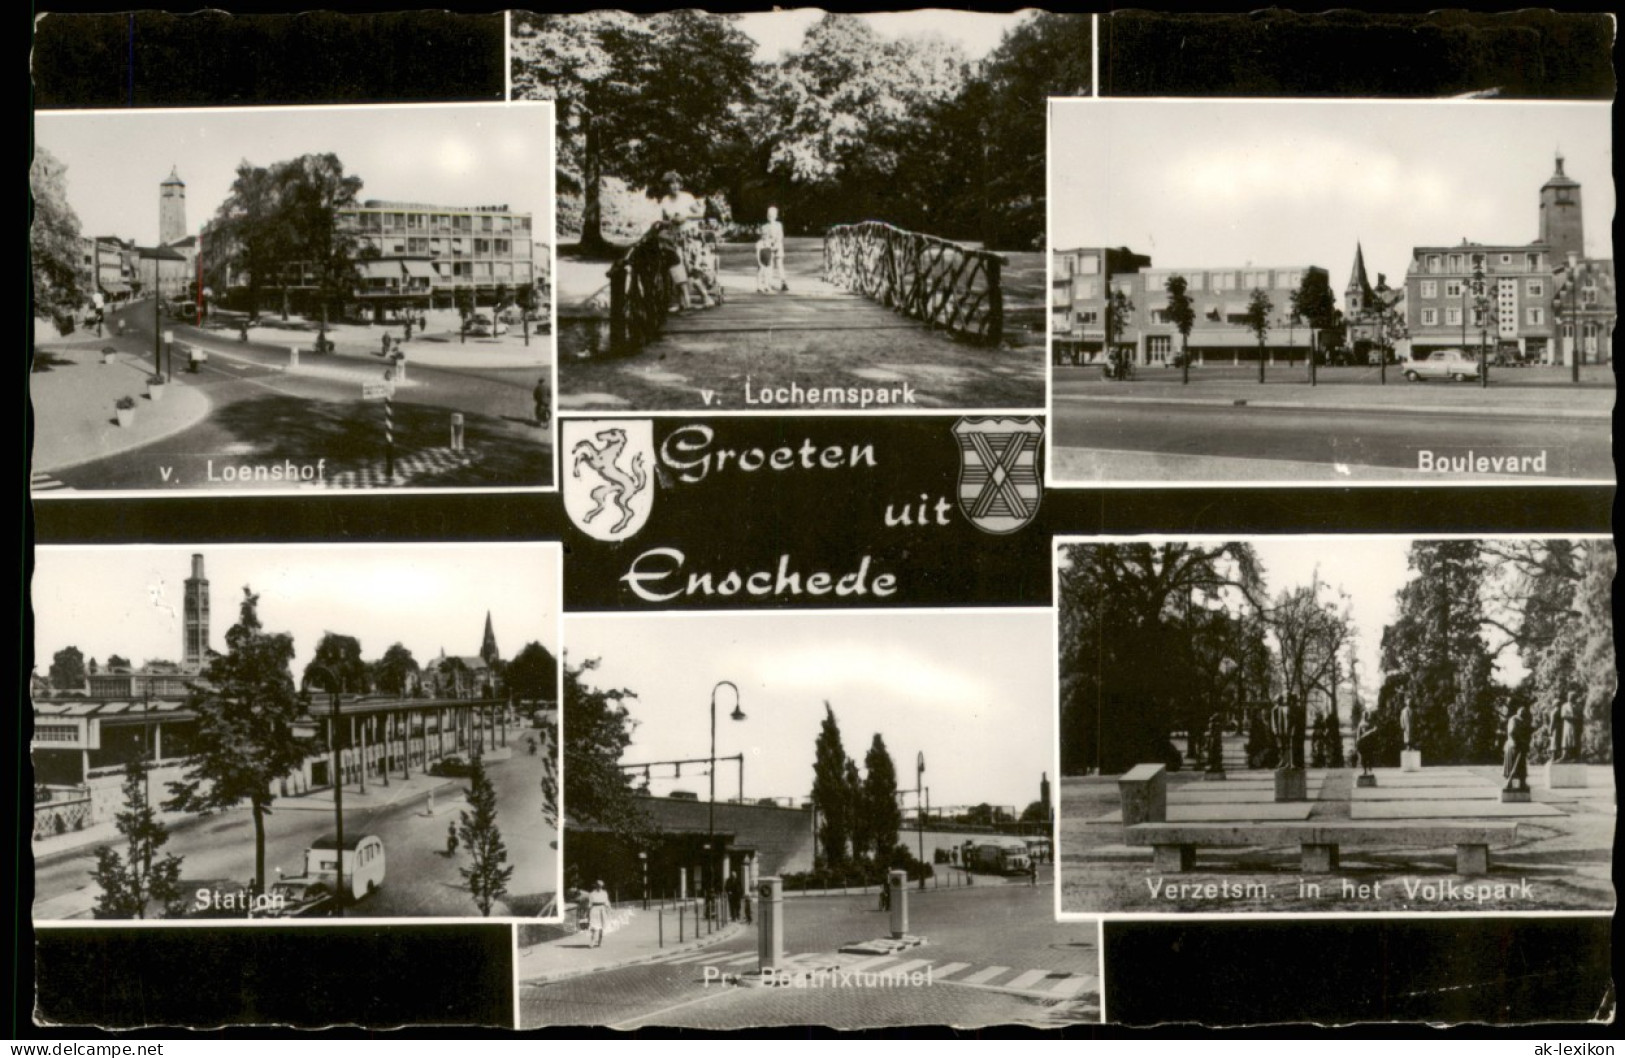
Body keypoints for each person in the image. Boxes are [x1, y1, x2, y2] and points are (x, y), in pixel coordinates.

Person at [1502, 701, 1533, 792]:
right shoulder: (1514, 719)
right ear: (1519, 712)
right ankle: (1509, 782)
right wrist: (1518, 741)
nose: (1523, 715)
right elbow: (1512, 732)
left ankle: (1522, 783)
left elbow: (1527, 732)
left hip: (1521, 746)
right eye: (1522, 713)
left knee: (1521, 766)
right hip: (1514, 746)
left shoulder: (1523, 720)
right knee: (1513, 766)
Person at [756, 206, 787, 294]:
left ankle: (783, 281)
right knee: (770, 266)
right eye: (769, 215)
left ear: (776, 216)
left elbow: (780, 236)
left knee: (779, 264)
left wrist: (775, 245)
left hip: (777, 246)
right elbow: (763, 238)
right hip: (768, 247)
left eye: (772, 215)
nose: (771, 217)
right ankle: (769, 282)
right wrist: (767, 245)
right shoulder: (765, 226)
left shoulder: (778, 225)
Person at [587, 880, 612, 948]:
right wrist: (588, 912)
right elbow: (590, 904)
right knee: (594, 926)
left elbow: (606, 902)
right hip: (594, 910)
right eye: (598, 886)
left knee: (602, 926)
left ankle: (600, 942)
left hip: (602, 910)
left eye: (600, 886)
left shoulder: (604, 893)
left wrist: (609, 909)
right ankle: (592, 941)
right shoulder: (592, 894)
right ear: (595, 886)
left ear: (602, 886)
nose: (599, 887)